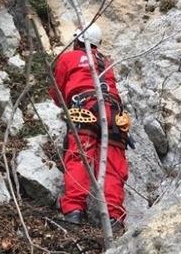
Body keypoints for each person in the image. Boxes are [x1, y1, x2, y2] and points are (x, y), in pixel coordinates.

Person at [49, 24, 131, 228]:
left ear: (77, 41)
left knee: (80, 158)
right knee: (113, 165)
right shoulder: (107, 62)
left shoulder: (68, 58)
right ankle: (115, 217)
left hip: (83, 110)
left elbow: (57, 92)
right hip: (114, 116)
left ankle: (74, 211)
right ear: (96, 44)